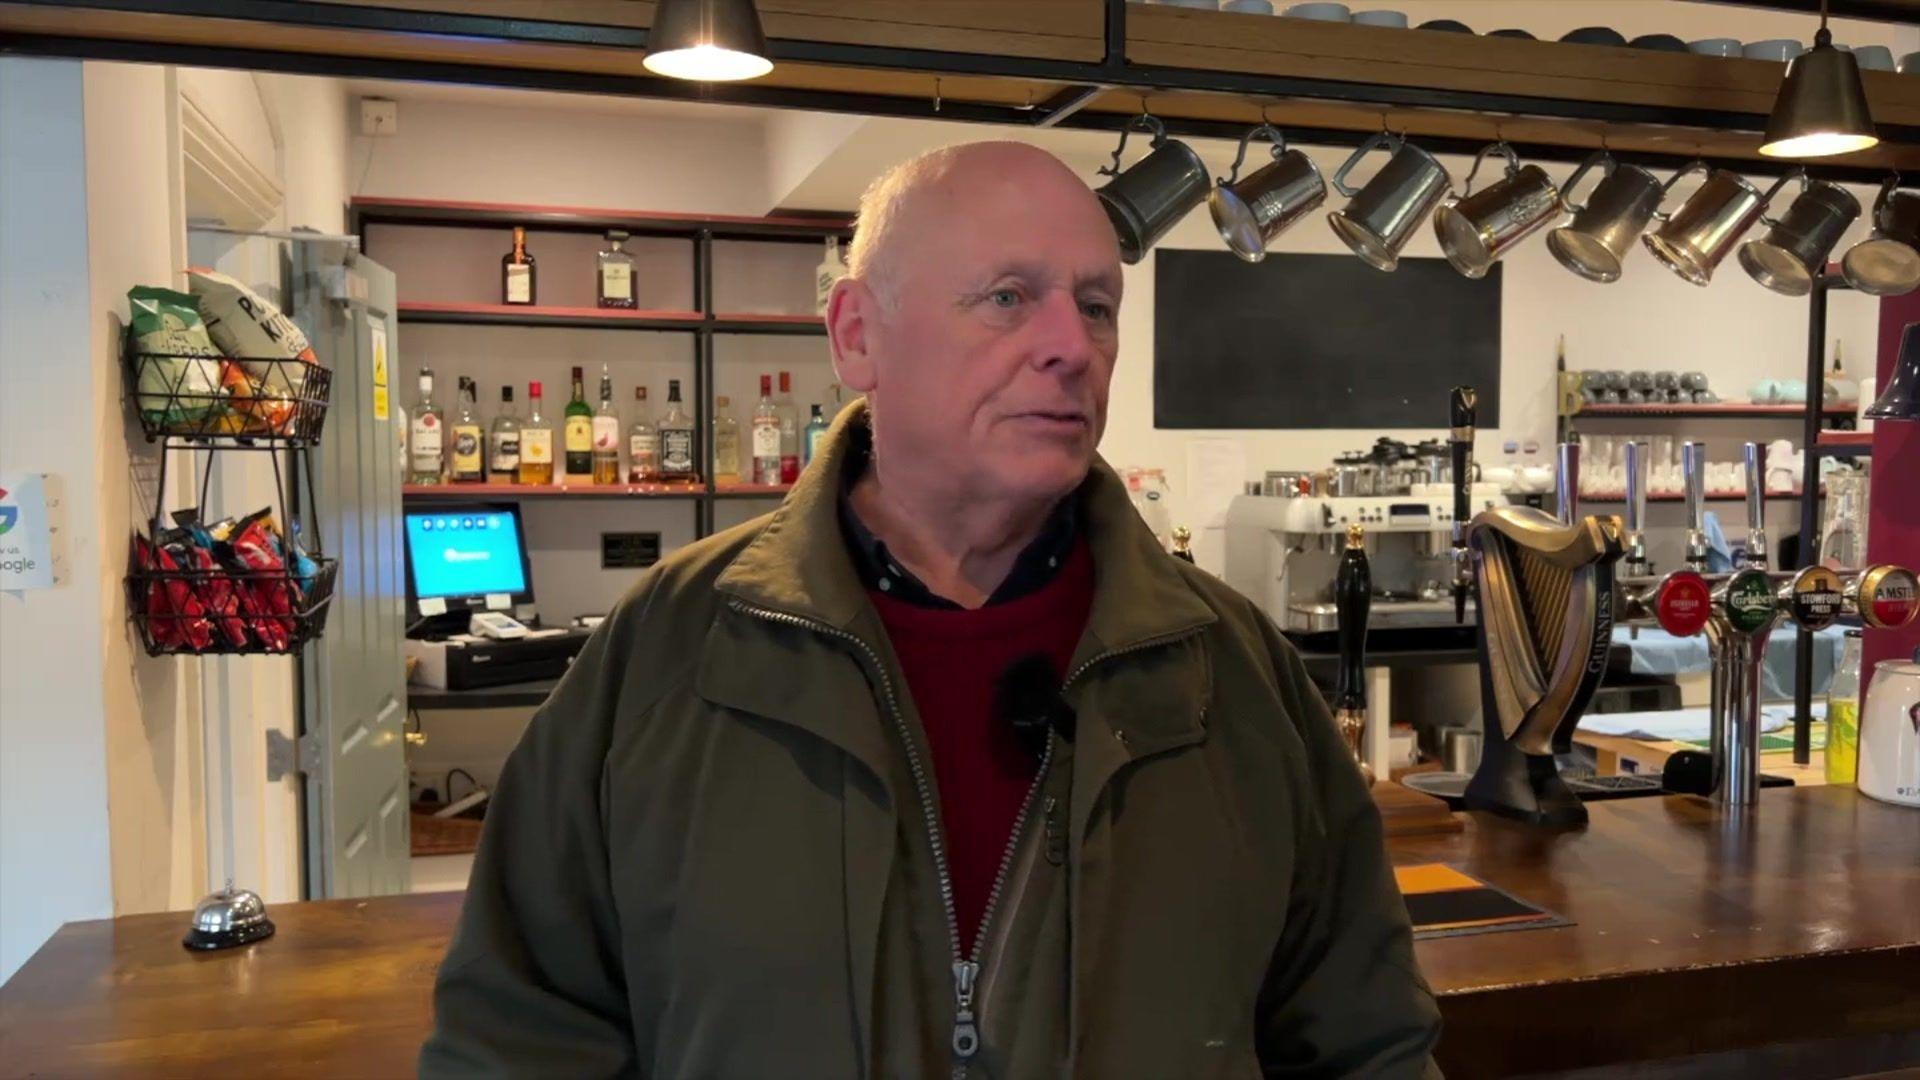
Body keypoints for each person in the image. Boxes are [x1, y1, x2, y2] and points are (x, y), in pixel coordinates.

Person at [420, 141, 1440, 1078]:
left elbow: (1365, 1042)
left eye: (1096, 305)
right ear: (858, 337)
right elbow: (516, 1037)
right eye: (1007, 297)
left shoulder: (1230, 670)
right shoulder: (671, 650)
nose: (1071, 347)